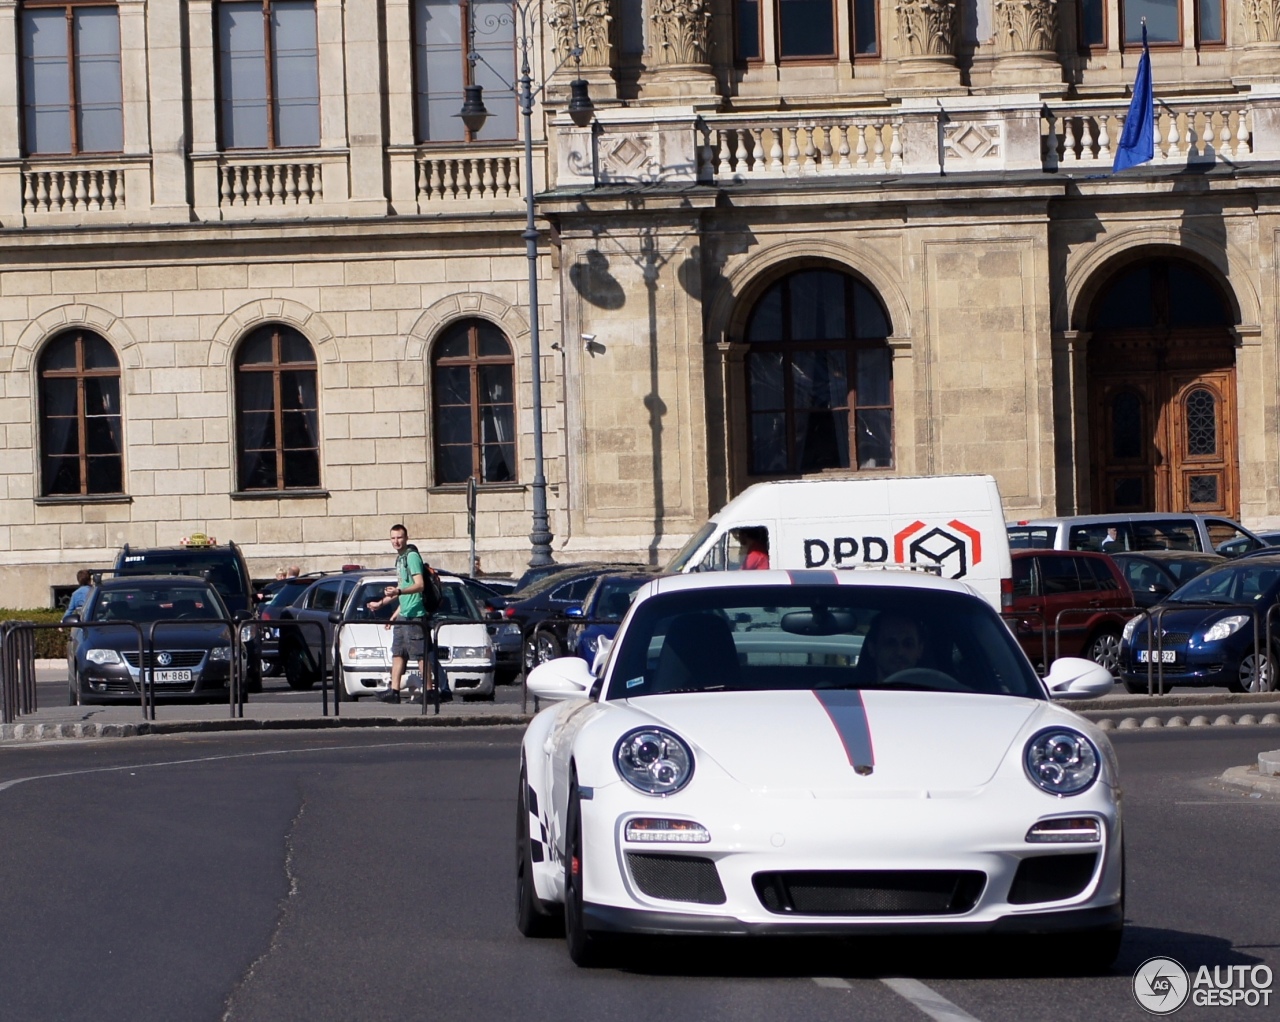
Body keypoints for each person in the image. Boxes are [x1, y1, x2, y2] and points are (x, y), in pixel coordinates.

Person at [368, 524, 430, 704]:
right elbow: (401, 590)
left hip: (415, 615)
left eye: (399, 537)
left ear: (406, 538)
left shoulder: (411, 557)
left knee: (420, 655)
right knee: (398, 653)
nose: (396, 541)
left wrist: (399, 593)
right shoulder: (400, 559)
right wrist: (381, 604)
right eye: (393, 538)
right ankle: (393, 691)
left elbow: (419, 585)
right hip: (404, 614)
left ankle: (428, 692)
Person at [859, 612, 924, 683]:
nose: (900, 652)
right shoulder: (854, 692)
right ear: (872, 649)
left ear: (920, 650)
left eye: (908, 644)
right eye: (891, 643)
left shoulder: (934, 692)